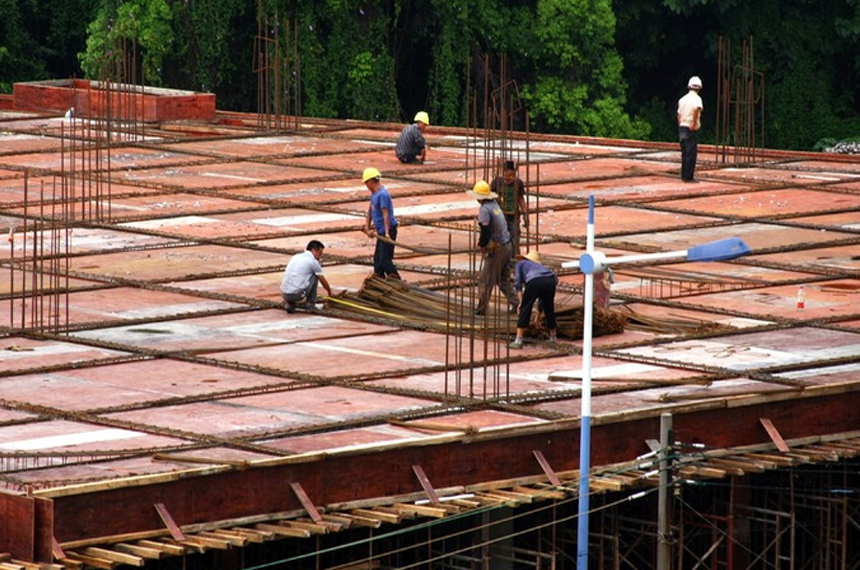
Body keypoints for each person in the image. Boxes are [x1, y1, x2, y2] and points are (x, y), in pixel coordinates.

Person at [467, 180, 519, 316]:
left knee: (486, 279)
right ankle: (516, 303)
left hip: (498, 248)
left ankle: (481, 309)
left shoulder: (484, 209)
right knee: (502, 279)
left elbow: (485, 230)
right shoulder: (494, 204)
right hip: (507, 245)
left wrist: (482, 245)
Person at [509, 250, 558, 349]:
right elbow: (542, 301)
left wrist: (521, 302)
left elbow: (518, 284)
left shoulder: (520, 263)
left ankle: (518, 340)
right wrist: (537, 318)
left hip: (534, 281)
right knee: (549, 308)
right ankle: (553, 338)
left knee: (525, 308)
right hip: (551, 281)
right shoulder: (541, 267)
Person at [362, 167, 401, 279]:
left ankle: (395, 279)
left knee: (384, 258)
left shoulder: (382, 195)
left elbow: (386, 214)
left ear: (371, 182)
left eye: (366, 183)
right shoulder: (374, 194)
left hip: (388, 230)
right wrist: (367, 227)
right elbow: (370, 210)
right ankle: (378, 278)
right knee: (378, 259)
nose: (366, 186)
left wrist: (387, 233)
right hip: (381, 231)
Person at [280, 240, 333, 313]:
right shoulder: (313, 261)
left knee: (297, 277)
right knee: (315, 275)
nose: (319, 257)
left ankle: (290, 304)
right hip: (296, 295)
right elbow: (322, 280)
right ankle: (311, 304)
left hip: (284, 294)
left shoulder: (296, 257)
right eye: (319, 254)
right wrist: (329, 292)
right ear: (314, 250)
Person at [490, 160, 528, 254]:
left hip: (513, 216)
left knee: (514, 238)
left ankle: (514, 257)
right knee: (499, 239)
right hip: (499, 216)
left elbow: (521, 199)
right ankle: (500, 258)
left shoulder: (518, 183)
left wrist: (525, 214)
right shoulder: (497, 182)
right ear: (503, 173)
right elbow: (490, 197)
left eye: (511, 175)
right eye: (506, 175)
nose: (508, 178)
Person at [677, 75, 703, 183]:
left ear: (689, 86)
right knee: (691, 153)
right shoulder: (697, 99)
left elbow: (679, 114)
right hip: (690, 127)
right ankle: (688, 177)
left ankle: (684, 176)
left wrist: (680, 124)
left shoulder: (682, 99)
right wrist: (694, 123)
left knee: (684, 153)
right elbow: (696, 109)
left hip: (682, 126)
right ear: (699, 88)